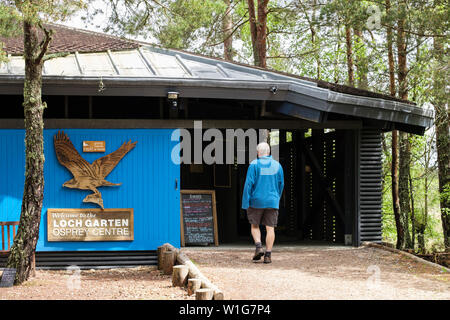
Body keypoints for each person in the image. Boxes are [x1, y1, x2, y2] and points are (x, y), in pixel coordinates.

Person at [241, 142, 284, 263]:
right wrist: (276, 198)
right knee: (270, 229)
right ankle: (268, 255)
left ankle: (259, 247)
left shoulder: (254, 164)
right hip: (272, 200)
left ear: (258, 152)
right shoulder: (277, 165)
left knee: (255, 226)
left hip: (256, 201)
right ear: (269, 152)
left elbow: (248, 184)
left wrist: (245, 202)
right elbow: (281, 184)